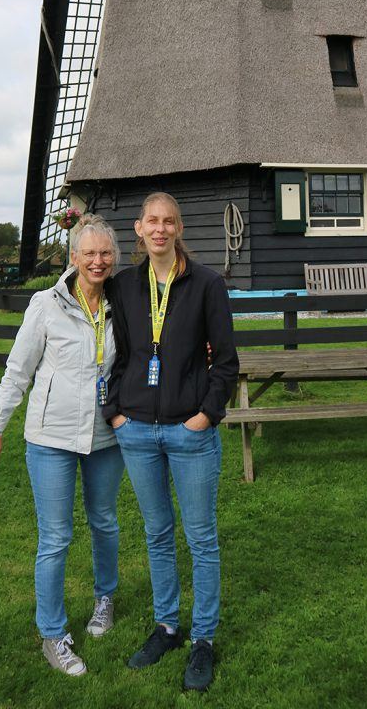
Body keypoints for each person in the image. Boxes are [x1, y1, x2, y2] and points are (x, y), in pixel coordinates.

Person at [104, 192, 239, 692]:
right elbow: (113, 354)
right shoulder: (124, 286)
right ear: (138, 229)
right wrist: (113, 412)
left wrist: (206, 415)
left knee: (201, 539)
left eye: (169, 222)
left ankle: (202, 638)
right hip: (136, 429)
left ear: (179, 228)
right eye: (151, 222)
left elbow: (226, 361)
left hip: (189, 429)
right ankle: (166, 626)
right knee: (158, 533)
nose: (160, 230)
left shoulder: (207, 284)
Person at [0, 214, 124, 678]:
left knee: (104, 521)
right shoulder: (46, 304)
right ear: (73, 257)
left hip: (104, 436)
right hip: (51, 438)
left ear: (114, 258)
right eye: (90, 253)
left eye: (105, 253)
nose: (98, 261)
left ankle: (105, 599)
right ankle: (53, 633)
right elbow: (18, 369)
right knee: (56, 537)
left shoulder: (122, 305)